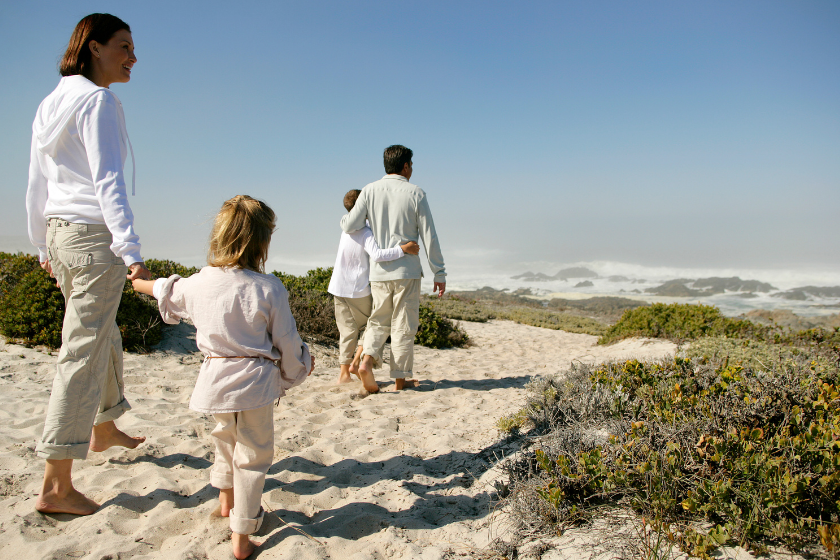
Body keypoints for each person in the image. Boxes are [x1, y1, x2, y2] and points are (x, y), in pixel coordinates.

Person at [132, 195, 314, 560]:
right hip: (255, 383)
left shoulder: (200, 282)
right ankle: (242, 537)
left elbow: (166, 290)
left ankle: (225, 501)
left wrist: (138, 282)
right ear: (261, 241)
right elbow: (287, 341)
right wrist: (299, 368)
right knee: (253, 456)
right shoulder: (268, 287)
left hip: (215, 381)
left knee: (224, 442)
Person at [25, 13, 150, 516]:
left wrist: (41, 244)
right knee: (81, 352)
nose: (133, 57)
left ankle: (104, 425)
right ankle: (56, 486)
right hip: (94, 238)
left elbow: (36, 181)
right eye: (124, 46)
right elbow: (107, 182)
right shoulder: (98, 101)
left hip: (60, 235)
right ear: (93, 47)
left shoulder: (50, 102)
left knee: (101, 333)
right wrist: (131, 249)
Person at [340, 145, 446, 391]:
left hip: (379, 272)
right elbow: (429, 235)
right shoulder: (416, 193)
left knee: (378, 322)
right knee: (403, 325)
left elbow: (350, 224)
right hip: (406, 271)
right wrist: (439, 271)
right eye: (411, 165)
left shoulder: (369, 190)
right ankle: (400, 380)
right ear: (405, 166)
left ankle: (366, 362)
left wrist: (345, 220)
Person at [328, 189, 419, 388]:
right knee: (375, 323)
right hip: (356, 289)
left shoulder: (346, 228)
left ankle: (344, 374)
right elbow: (377, 255)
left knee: (347, 330)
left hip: (337, 286)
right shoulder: (366, 230)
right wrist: (403, 249)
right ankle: (357, 363)